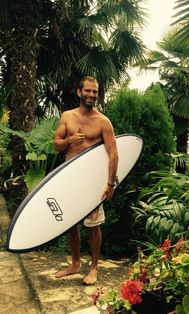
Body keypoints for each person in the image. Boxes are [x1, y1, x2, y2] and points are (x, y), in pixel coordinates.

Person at [54, 76, 118, 285]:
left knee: (93, 225)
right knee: (71, 223)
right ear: (79, 92)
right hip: (70, 178)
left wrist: (110, 184)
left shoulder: (103, 121)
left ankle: (93, 267)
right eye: (88, 91)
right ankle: (75, 264)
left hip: (92, 180)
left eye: (95, 92)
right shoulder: (67, 117)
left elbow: (113, 154)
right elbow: (57, 144)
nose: (92, 95)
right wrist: (69, 141)